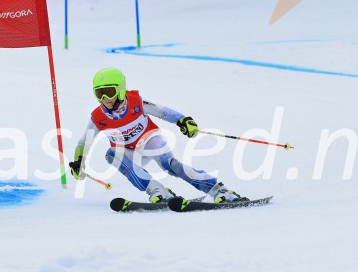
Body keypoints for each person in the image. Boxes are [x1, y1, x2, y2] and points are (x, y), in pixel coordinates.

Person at [69, 67, 244, 203]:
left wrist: (183, 121)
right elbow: (85, 142)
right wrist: (79, 162)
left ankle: (218, 190)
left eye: (109, 91)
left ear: (121, 90)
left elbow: (163, 112)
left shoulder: (136, 102)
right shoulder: (98, 117)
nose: (105, 98)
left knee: (171, 166)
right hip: (128, 152)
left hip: (149, 140)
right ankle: (158, 191)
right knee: (111, 155)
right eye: (100, 93)